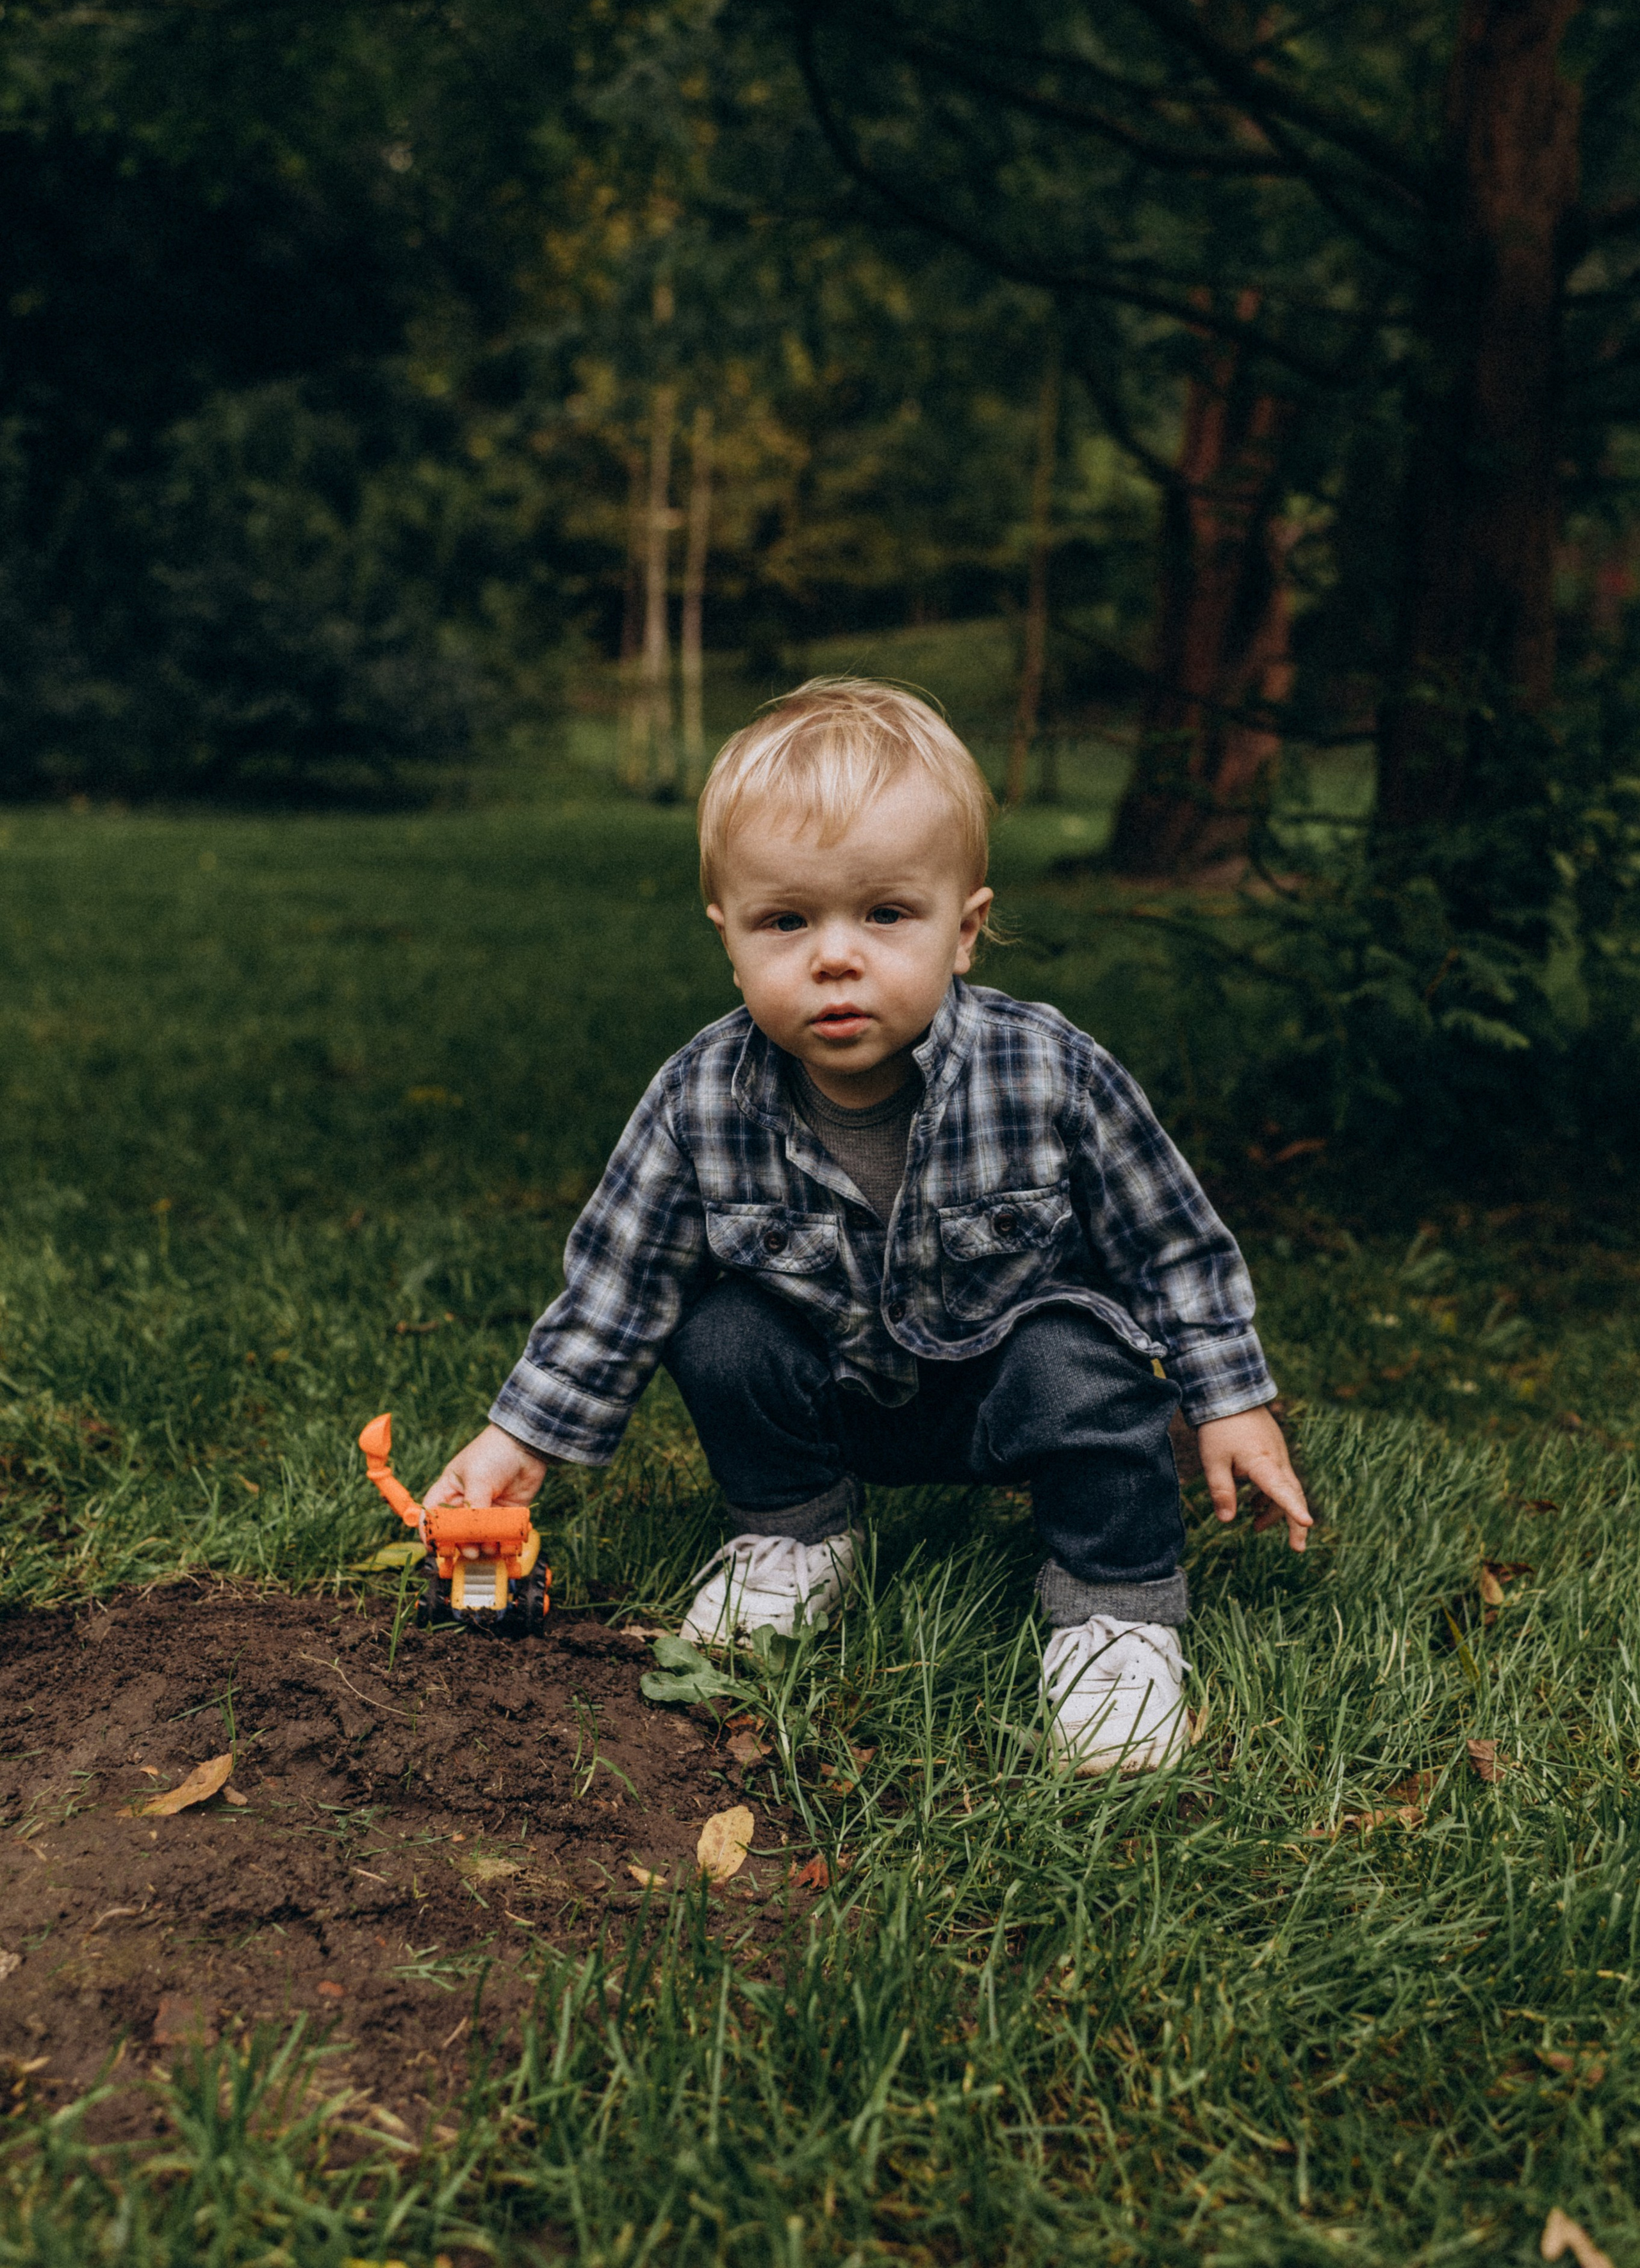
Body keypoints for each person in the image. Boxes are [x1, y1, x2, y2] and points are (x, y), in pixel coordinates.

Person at [422, 678, 1311, 1772]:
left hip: (1010, 1391)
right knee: (718, 1329)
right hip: (834, 1394)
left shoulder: (1047, 1071)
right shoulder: (702, 1096)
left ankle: (1113, 1617)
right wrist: (522, 1437)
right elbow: (619, 1282)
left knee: (1083, 1353)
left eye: (886, 914)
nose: (835, 956)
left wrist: (1230, 1400)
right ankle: (794, 1539)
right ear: (730, 941)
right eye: (786, 921)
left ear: (966, 930)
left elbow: (1169, 1239)